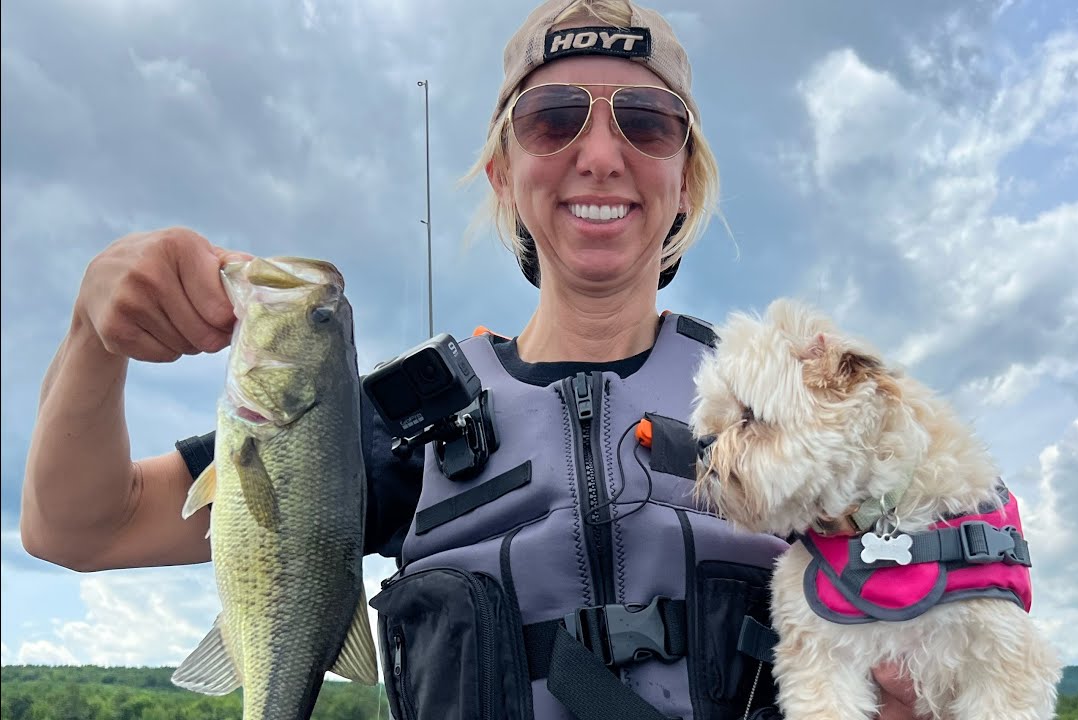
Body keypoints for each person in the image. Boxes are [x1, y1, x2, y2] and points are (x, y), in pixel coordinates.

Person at [19, 1, 931, 718]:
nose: (600, 154)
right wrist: (92, 337)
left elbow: (932, 579)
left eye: (648, 122)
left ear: (684, 177)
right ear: (503, 173)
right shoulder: (395, 420)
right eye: (553, 119)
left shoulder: (797, 409)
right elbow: (82, 529)